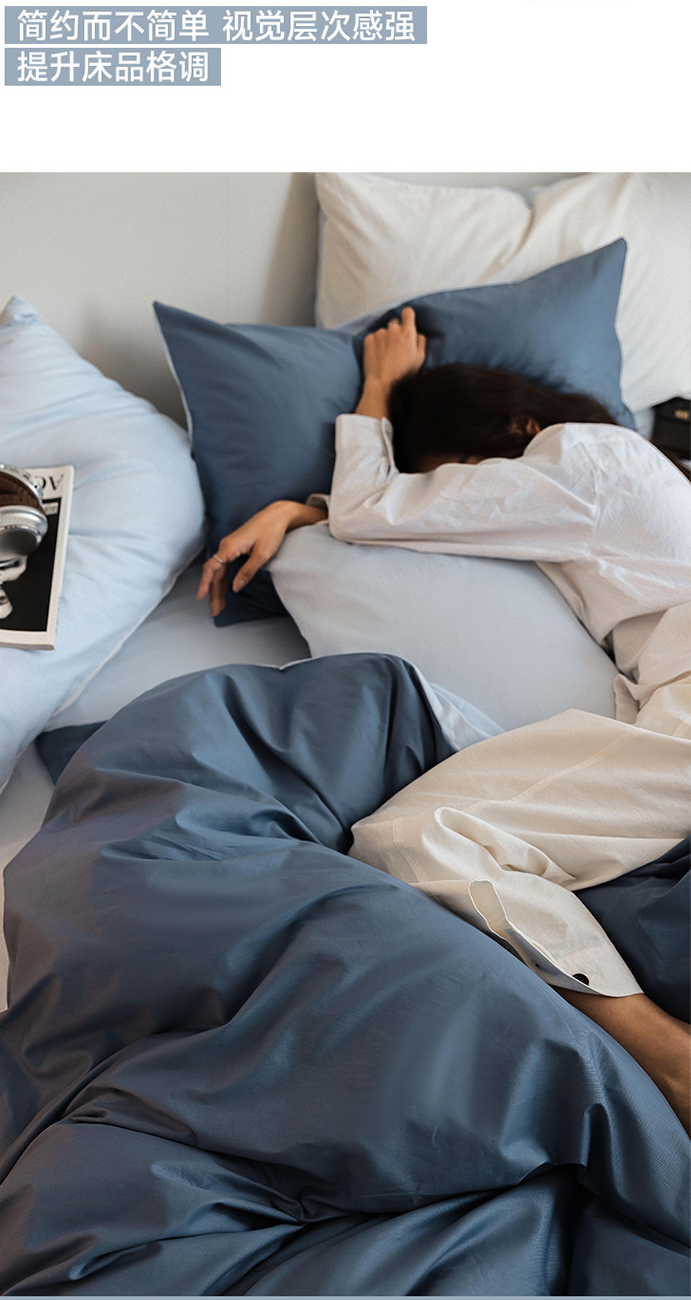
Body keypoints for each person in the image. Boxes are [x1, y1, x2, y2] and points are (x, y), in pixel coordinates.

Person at [198, 308, 691, 1129]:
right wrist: (308, 514)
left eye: (457, 472)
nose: (454, 495)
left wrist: (379, 390)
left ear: (515, 427)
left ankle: (667, 1056)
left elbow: (375, 506)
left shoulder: (580, 455)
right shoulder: (613, 483)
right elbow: (435, 524)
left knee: (412, 837)